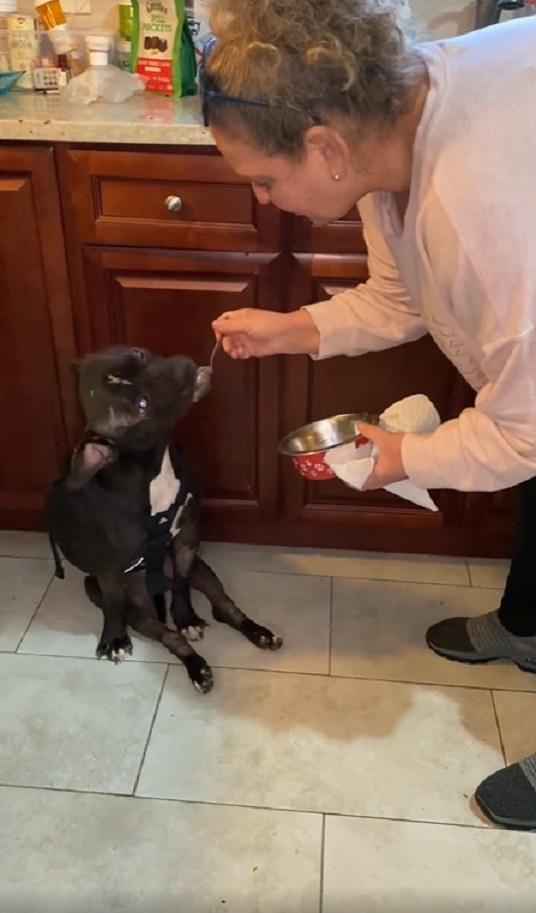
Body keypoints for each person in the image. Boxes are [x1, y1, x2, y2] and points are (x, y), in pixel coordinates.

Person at [201, 0, 536, 831]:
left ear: (324, 147)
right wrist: (293, 329)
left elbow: (526, 430)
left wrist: (403, 457)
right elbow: (397, 298)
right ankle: (529, 626)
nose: (266, 198)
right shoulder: (385, 119)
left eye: (264, 179)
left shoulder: (479, 214)